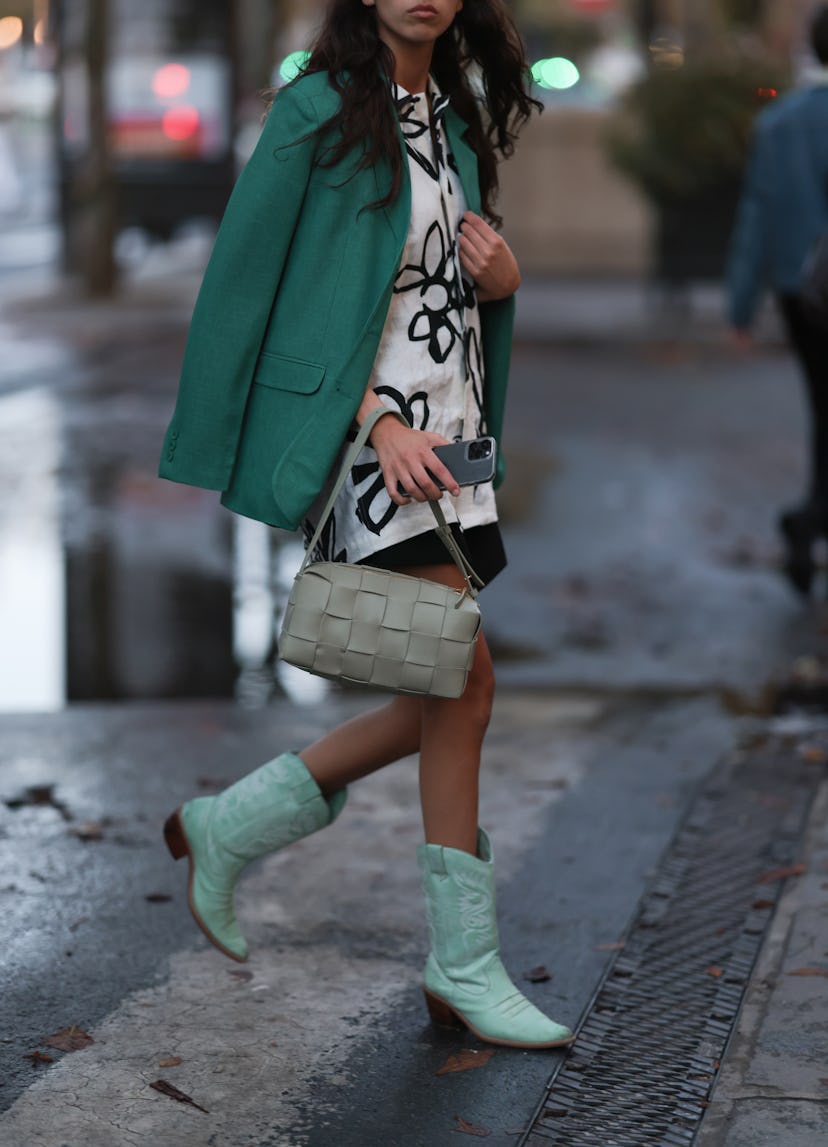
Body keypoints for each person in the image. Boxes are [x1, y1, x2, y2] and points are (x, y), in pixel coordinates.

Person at [158, 0, 574, 1050]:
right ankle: (463, 964)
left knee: (437, 682)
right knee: (464, 680)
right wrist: (372, 420)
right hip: (374, 443)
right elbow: (264, 287)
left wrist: (505, 281)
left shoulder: (455, 110)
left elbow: (438, 274)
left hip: (453, 435)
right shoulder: (317, 110)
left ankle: (229, 826)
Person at [727, 4, 828, 596]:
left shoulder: (780, 122)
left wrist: (741, 307)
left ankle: (809, 521)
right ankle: (808, 520)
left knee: (822, 406)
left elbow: (756, 219)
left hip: (801, 293)